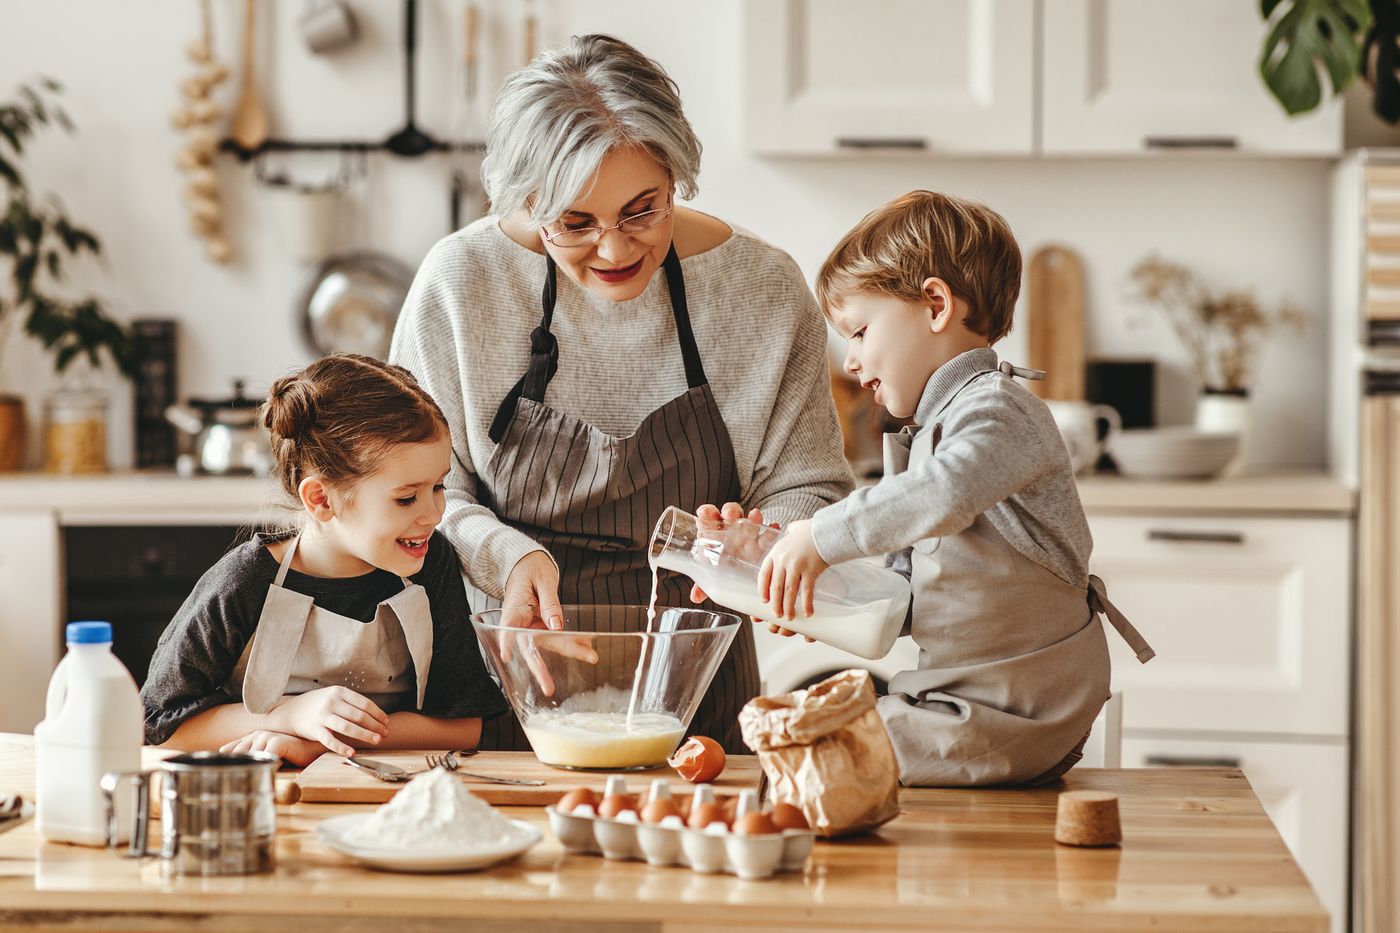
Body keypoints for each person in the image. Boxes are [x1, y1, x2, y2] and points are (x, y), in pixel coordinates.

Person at [389, 34, 853, 754]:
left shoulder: (761, 288)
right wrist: (508, 555)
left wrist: (760, 540)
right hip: (506, 682)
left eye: (643, 210)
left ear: (677, 178)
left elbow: (811, 484)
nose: (614, 249)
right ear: (522, 201)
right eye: (573, 223)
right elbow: (418, 495)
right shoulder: (460, 284)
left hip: (698, 698)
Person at [758, 190, 1155, 786]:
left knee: (812, 756)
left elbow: (946, 491)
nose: (851, 362)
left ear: (936, 304)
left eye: (860, 331)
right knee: (803, 740)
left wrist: (820, 534)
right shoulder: (928, 434)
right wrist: (815, 597)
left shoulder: (998, 411)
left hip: (1017, 707)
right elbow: (904, 598)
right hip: (960, 699)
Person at [141, 354, 507, 767]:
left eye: (438, 487)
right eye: (406, 498)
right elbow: (161, 729)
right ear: (321, 499)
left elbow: (464, 727)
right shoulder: (242, 585)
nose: (434, 514)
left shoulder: (431, 563)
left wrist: (320, 744)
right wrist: (291, 716)